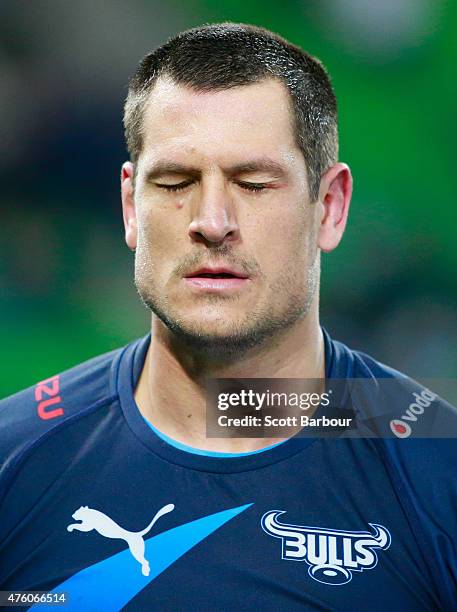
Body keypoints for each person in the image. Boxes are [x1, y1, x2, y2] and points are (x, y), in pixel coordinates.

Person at [0, 22, 456, 611]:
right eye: (175, 182)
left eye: (254, 183)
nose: (212, 221)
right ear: (130, 206)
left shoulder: (437, 471)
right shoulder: (15, 461)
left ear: (330, 208)